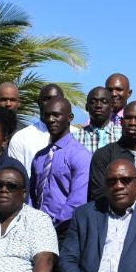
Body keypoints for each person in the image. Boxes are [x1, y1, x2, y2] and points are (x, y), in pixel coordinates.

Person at [30, 96, 92, 235]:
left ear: (70, 117)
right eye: (47, 115)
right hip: (34, 231)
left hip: (65, 231)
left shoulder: (81, 155)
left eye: (56, 115)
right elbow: (31, 196)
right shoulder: (40, 157)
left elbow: (77, 201)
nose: (51, 119)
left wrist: (50, 227)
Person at [90, 101, 136, 199]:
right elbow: (99, 195)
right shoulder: (103, 155)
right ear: (121, 121)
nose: (132, 123)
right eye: (128, 118)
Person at [8, 83, 62, 173]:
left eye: (56, 99)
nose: (51, 103)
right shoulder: (21, 138)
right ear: (38, 102)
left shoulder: (76, 136)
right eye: (47, 99)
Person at [76, 86, 122, 153]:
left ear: (111, 107)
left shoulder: (123, 135)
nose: (98, 105)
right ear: (86, 107)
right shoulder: (76, 138)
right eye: (93, 102)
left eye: (104, 102)